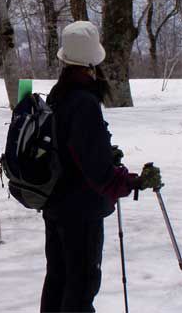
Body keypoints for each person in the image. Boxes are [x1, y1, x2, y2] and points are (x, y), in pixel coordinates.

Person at [40, 21, 162, 312]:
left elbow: (71, 149)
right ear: (92, 62)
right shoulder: (83, 101)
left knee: (58, 279)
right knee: (80, 285)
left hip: (55, 204)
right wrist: (132, 181)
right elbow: (97, 171)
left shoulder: (59, 95)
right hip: (80, 210)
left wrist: (104, 152)